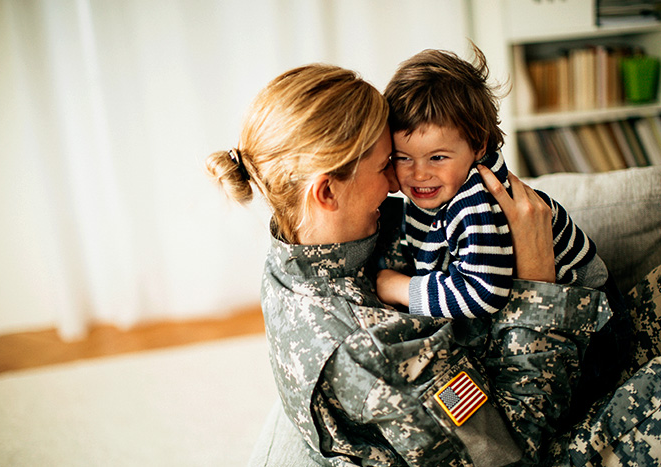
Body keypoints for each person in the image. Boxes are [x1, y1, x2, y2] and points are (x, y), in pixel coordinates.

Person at [206, 63, 658, 465]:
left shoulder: (294, 252)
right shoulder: (377, 351)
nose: (400, 183)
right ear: (326, 192)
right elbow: (512, 450)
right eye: (390, 164)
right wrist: (537, 278)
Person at [375, 46, 608, 318]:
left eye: (437, 157)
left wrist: (400, 287)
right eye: (404, 158)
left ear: (477, 146)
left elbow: (481, 294)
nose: (419, 174)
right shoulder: (436, 191)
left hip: (591, 316)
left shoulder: (475, 202)